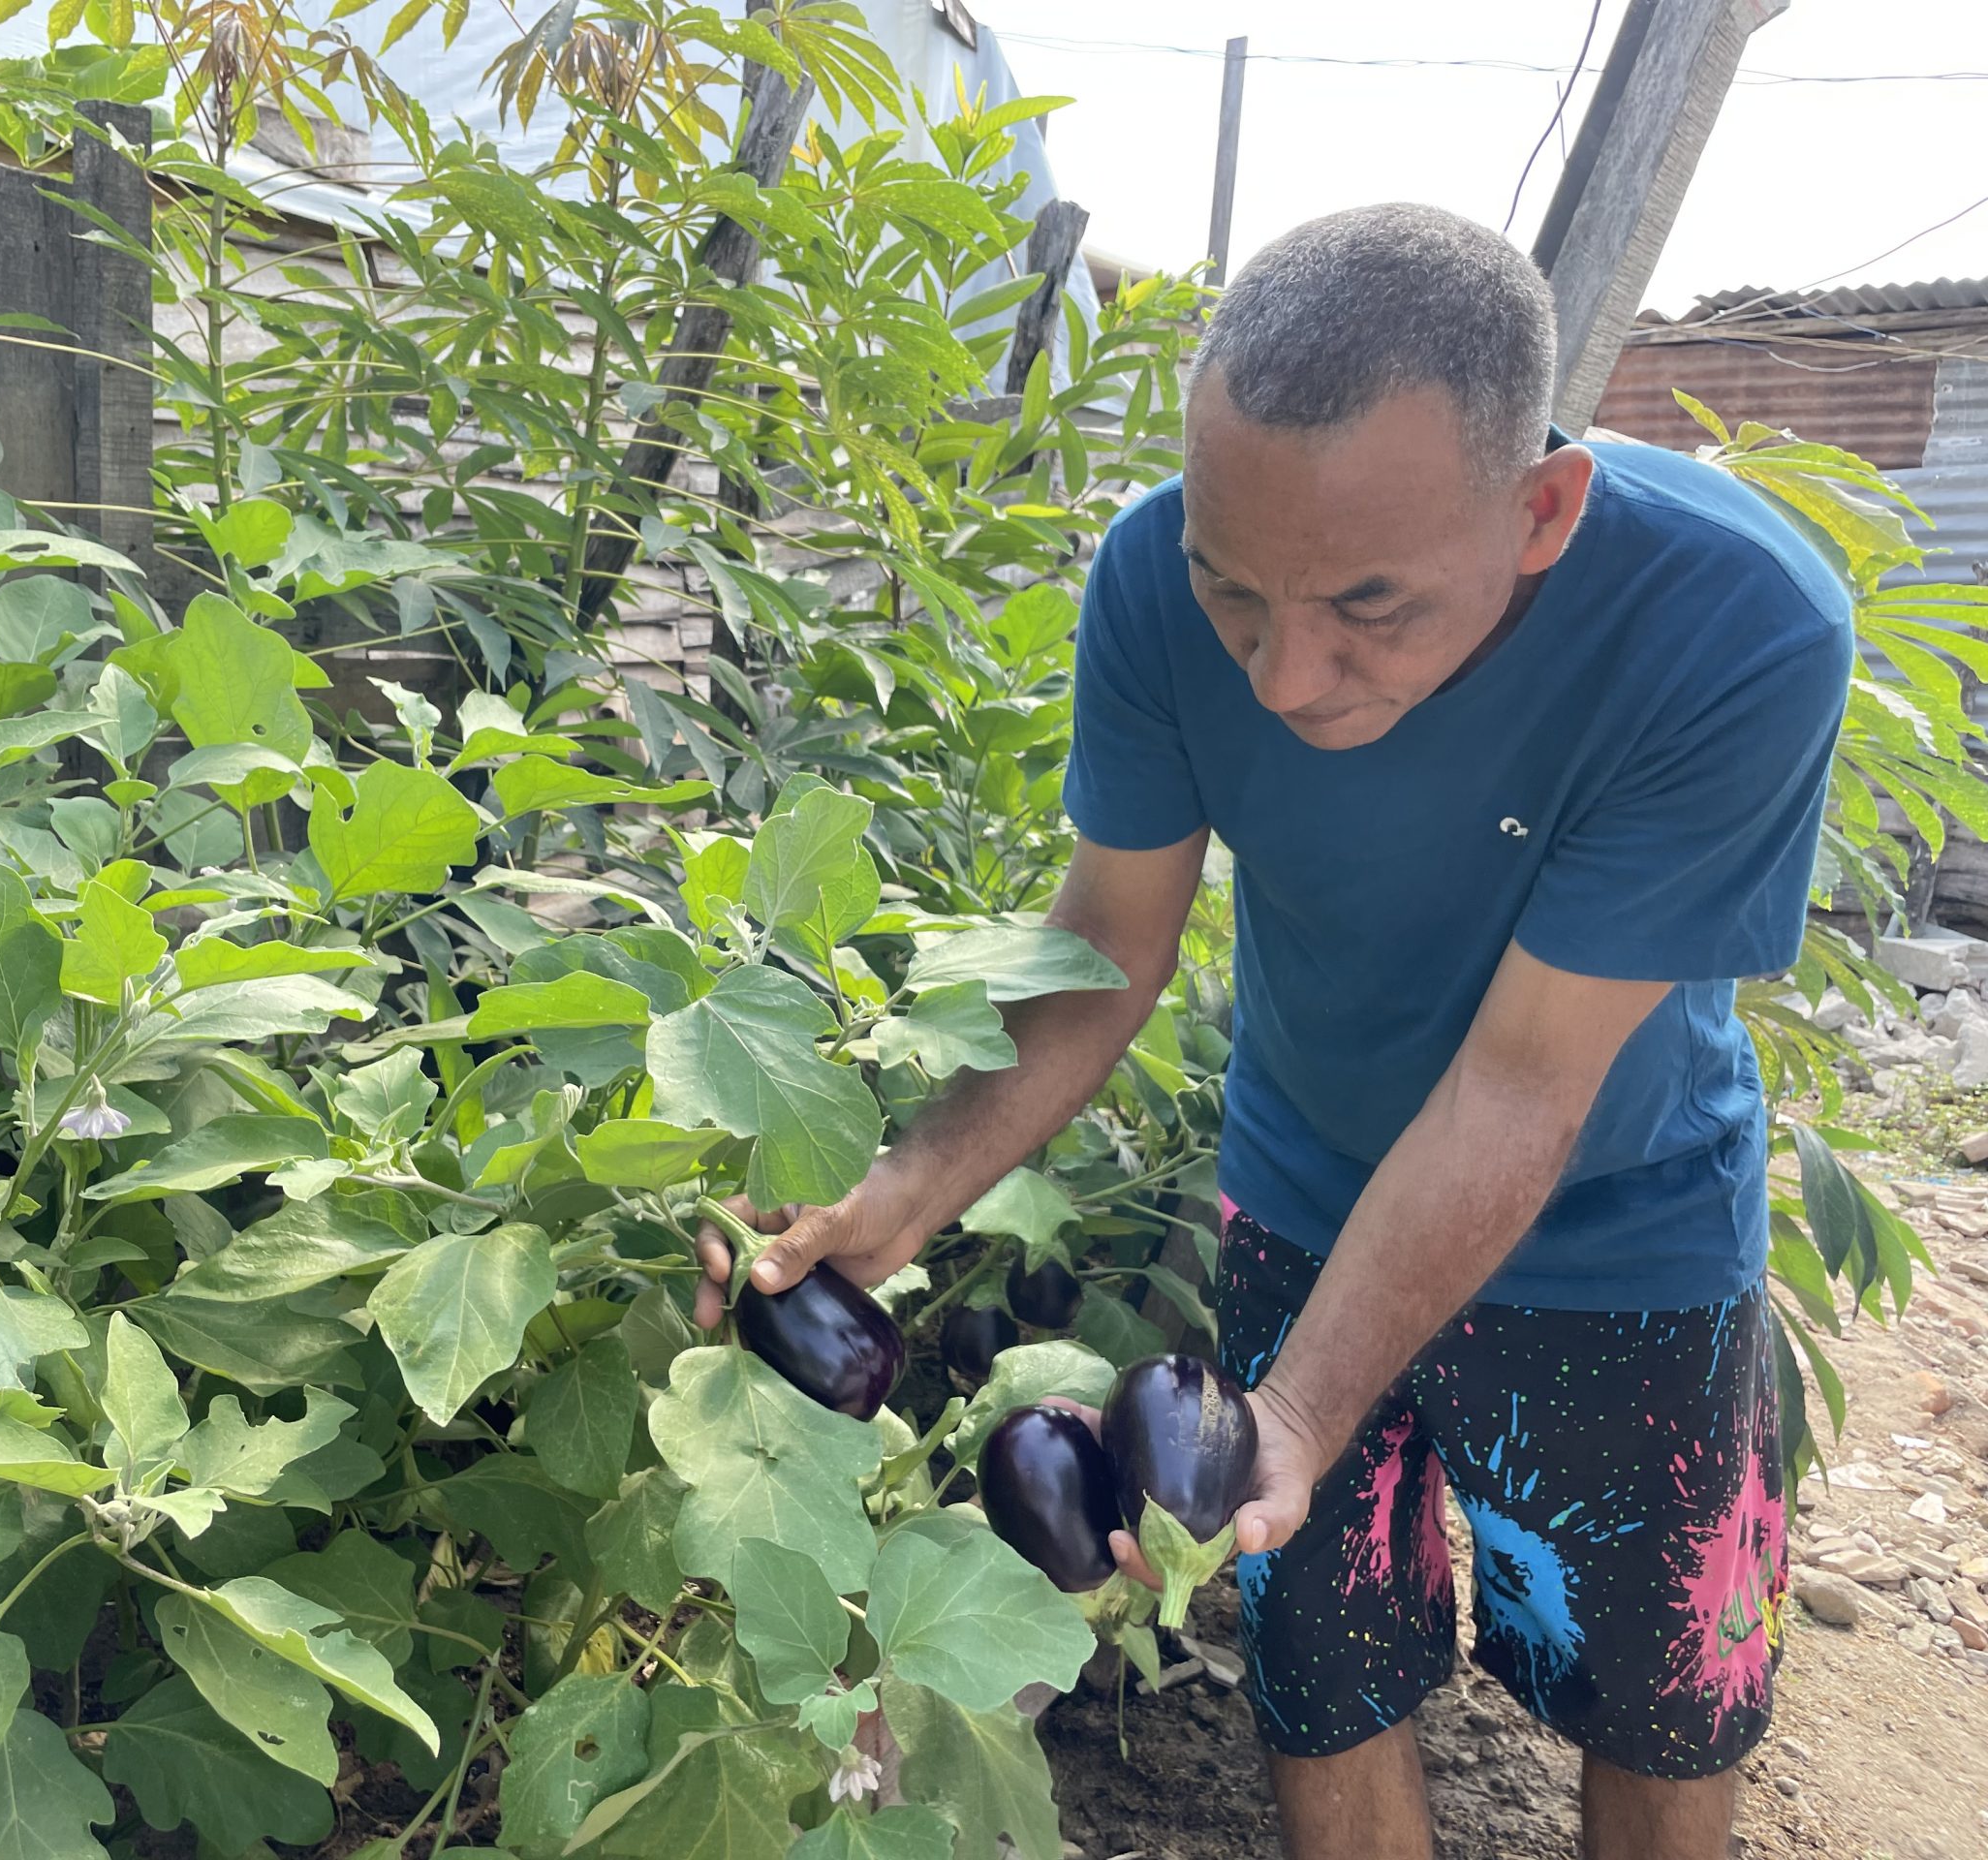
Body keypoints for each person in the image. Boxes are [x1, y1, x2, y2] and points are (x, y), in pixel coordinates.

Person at [694, 202, 1853, 1860]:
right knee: (1322, 1673)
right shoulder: (1152, 586)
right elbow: (1107, 946)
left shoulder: (1736, 631)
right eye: (1235, 592)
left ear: (1541, 509)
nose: (1290, 678)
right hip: (1306, 1180)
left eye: (1369, 606)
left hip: (1625, 1222)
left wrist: (1299, 1411)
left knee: (1659, 1698)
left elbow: (1526, 1083)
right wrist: (892, 1201)